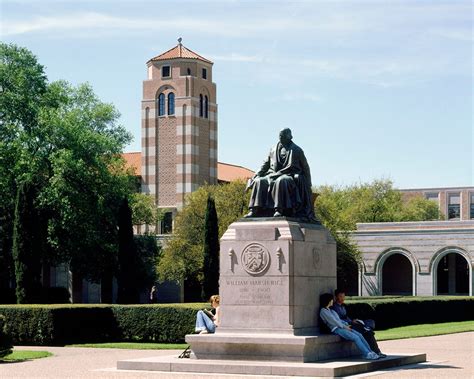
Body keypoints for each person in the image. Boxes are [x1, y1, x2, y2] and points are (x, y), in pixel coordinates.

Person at [245, 128, 316, 221]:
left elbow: (306, 167)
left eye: (283, 135)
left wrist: (308, 184)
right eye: (280, 136)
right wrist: (255, 176)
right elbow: (265, 165)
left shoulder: (297, 150)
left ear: (289, 137)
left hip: (289, 175)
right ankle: (254, 210)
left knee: (281, 181)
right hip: (272, 175)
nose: (280, 137)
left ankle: (279, 209)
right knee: (259, 181)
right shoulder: (273, 149)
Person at [319, 293, 380, 360]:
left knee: (360, 335)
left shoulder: (331, 311)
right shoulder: (323, 311)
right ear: (328, 301)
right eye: (331, 299)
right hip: (336, 329)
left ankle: (370, 352)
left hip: (343, 327)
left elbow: (339, 320)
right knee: (355, 337)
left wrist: (346, 324)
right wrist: (345, 327)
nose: (333, 301)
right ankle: (367, 354)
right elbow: (334, 322)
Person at [331, 289, 386, 358]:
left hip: (350, 323)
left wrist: (352, 320)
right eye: (340, 296)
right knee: (368, 332)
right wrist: (350, 322)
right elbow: (339, 320)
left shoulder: (343, 306)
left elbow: (346, 316)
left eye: (343, 296)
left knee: (369, 330)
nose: (342, 298)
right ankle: (376, 352)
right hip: (346, 326)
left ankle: (377, 351)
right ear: (336, 297)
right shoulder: (334, 308)